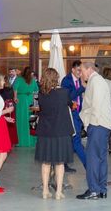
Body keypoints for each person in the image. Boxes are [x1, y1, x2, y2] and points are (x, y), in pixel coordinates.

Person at [35, 68, 74, 200]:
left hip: (45, 131)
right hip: (61, 131)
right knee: (59, 163)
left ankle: (45, 191)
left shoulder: (41, 94)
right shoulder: (64, 92)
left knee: (46, 162)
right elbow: (70, 104)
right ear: (56, 78)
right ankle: (58, 192)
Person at [76, 62, 111, 200]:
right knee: (101, 158)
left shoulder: (96, 81)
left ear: (89, 69)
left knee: (92, 158)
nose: (80, 73)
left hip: (97, 124)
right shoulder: (95, 81)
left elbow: (96, 105)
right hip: (102, 124)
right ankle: (102, 189)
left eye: (82, 70)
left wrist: (88, 125)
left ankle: (94, 190)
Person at [61, 60, 87, 171]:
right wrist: (82, 87)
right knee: (76, 140)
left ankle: (64, 164)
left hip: (79, 113)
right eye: (78, 70)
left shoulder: (80, 80)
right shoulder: (66, 81)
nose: (80, 72)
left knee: (70, 140)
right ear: (72, 69)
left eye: (81, 70)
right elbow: (68, 97)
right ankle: (88, 165)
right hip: (70, 113)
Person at [13, 66, 39, 147]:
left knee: (21, 120)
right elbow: (36, 90)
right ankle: (31, 140)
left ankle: (21, 141)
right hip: (30, 100)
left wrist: (15, 97)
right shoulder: (33, 80)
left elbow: (15, 88)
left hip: (21, 100)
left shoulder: (19, 79)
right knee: (31, 119)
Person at [0, 76, 18, 146]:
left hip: (4, 106)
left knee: (5, 124)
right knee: (12, 124)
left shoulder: (1, 90)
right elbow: (13, 97)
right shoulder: (11, 88)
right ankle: (12, 140)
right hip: (11, 105)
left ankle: (5, 140)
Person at [102, 67, 111, 155]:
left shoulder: (102, 82)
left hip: (104, 106)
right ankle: (110, 147)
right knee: (110, 127)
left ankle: (103, 146)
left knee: (104, 126)